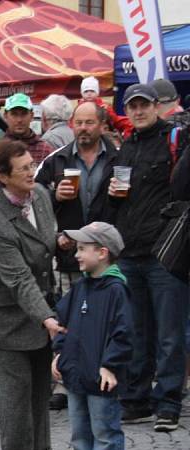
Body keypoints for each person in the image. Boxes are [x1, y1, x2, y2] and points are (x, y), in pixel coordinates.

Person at [0, 139, 63, 450]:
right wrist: (46, 318)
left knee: (42, 389)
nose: (32, 172)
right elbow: (18, 279)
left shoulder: (39, 195)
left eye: (32, 165)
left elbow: (47, 244)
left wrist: (65, 242)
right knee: (16, 394)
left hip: (41, 307)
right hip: (6, 315)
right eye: (24, 168)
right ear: (2, 177)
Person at [107, 83, 188, 431]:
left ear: (157, 107)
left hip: (165, 251)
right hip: (130, 250)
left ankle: (168, 402)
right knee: (136, 332)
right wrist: (112, 194)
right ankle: (136, 399)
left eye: (143, 106)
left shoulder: (175, 140)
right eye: (133, 106)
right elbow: (119, 199)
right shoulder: (126, 148)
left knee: (170, 332)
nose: (138, 112)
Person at [35, 101, 118, 410]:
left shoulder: (119, 159)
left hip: (108, 256)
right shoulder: (56, 161)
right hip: (70, 255)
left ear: (101, 125)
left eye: (89, 123)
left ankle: (106, 374)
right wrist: (55, 199)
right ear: (71, 124)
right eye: (78, 123)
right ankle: (67, 380)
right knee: (70, 318)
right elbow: (35, 201)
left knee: (107, 318)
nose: (83, 128)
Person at [48, 222, 132, 450]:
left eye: (83, 249)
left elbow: (123, 333)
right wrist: (60, 353)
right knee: (80, 431)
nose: (77, 255)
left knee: (105, 430)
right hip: (76, 374)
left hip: (100, 377)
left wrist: (109, 365)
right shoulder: (81, 287)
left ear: (103, 253)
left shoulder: (116, 290)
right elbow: (64, 324)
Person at [1, 93, 54, 167]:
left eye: (24, 114)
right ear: (5, 116)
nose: (19, 120)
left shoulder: (45, 150)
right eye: (14, 114)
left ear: (32, 116)